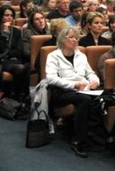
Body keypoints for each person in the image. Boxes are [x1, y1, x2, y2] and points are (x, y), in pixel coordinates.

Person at [46, 26, 100, 157]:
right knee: (84, 100)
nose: (74, 40)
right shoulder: (53, 56)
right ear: (62, 39)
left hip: (83, 90)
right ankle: (78, 140)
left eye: (76, 37)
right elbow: (51, 78)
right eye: (71, 37)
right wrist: (74, 85)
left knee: (103, 97)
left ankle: (95, 135)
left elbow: (90, 73)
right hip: (61, 92)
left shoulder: (81, 55)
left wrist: (95, 81)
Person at [0, 5, 30, 102]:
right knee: (20, 68)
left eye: (11, 15)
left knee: (28, 67)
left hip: (15, 60)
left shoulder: (16, 31)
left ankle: (19, 95)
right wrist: (4, 33)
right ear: (0, 17)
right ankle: (15, 95)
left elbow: (19, 51)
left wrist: (9, 53)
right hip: (2, 61)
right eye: (6, 15)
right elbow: (1, 48)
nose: (9, 18)